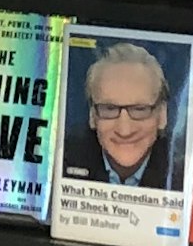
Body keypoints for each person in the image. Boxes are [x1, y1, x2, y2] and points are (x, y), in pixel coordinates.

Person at [66, 38, 181, 191]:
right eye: (109, 109)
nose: (124, 130)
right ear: (92, 116)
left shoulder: (184, 172)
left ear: (162, 115)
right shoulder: (62, 160)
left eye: (140, 109)